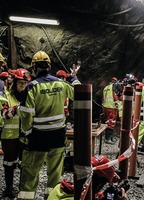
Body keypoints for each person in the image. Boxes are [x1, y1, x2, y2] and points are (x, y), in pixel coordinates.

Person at [18, 51, 80, 200]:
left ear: (34, 67)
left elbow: (26, 115)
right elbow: (79, 93)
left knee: (30, 175)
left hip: (37, 138)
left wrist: (26, 133)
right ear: (49, 66)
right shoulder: (61, 84)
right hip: (58, 137)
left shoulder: (32, 87)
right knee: (55, 175)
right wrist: (74, 77)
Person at [1, 68, 31, 198]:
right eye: (20, 83)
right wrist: (18, 108)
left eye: (25, 84)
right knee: (9, 163)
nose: (23, 86)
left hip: (23, 136)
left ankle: (22, 189)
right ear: (14, 83)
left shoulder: (28, 96)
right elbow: (4, 114)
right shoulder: (5, 96)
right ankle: (8, 188)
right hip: (9, 137)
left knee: (24, 164)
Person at [102, 77, 119, 144]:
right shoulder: (114, 87)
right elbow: (115, 97)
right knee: (111, 123)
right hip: (112, 107)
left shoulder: (106, 88)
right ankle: (107, 138)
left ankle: (109, 137)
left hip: (105, 107)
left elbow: (103, 98)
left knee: (108, 122)